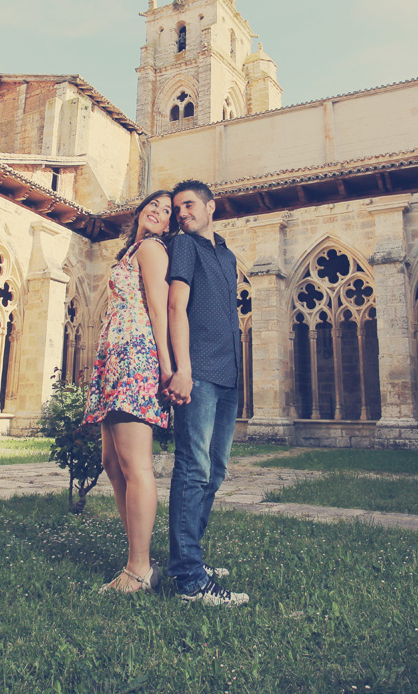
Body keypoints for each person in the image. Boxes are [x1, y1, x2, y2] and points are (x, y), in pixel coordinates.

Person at [84, 190, 175, 593]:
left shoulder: (153, 249)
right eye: (153, 205)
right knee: (111, 462)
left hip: (136, 355)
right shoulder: (133, 250)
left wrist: (167, 365)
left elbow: (159, 307)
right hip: (116, 356)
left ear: (168, 225)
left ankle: (138, 570)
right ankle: (140, 556)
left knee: (135, 464)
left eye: (167, 211)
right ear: (140, 212)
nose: (158, 212)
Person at [164, 180, 248, 606]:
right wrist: (182, 369)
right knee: (193, 469)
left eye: (189, 205)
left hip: (229, 374)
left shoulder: (228, 255)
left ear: (211, 207)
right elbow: (176, 306)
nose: (182, 213)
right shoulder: (185, 247)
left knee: (215, 472)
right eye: (178, 208)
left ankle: (187, 557)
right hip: (198, 372)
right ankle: (189, 579)